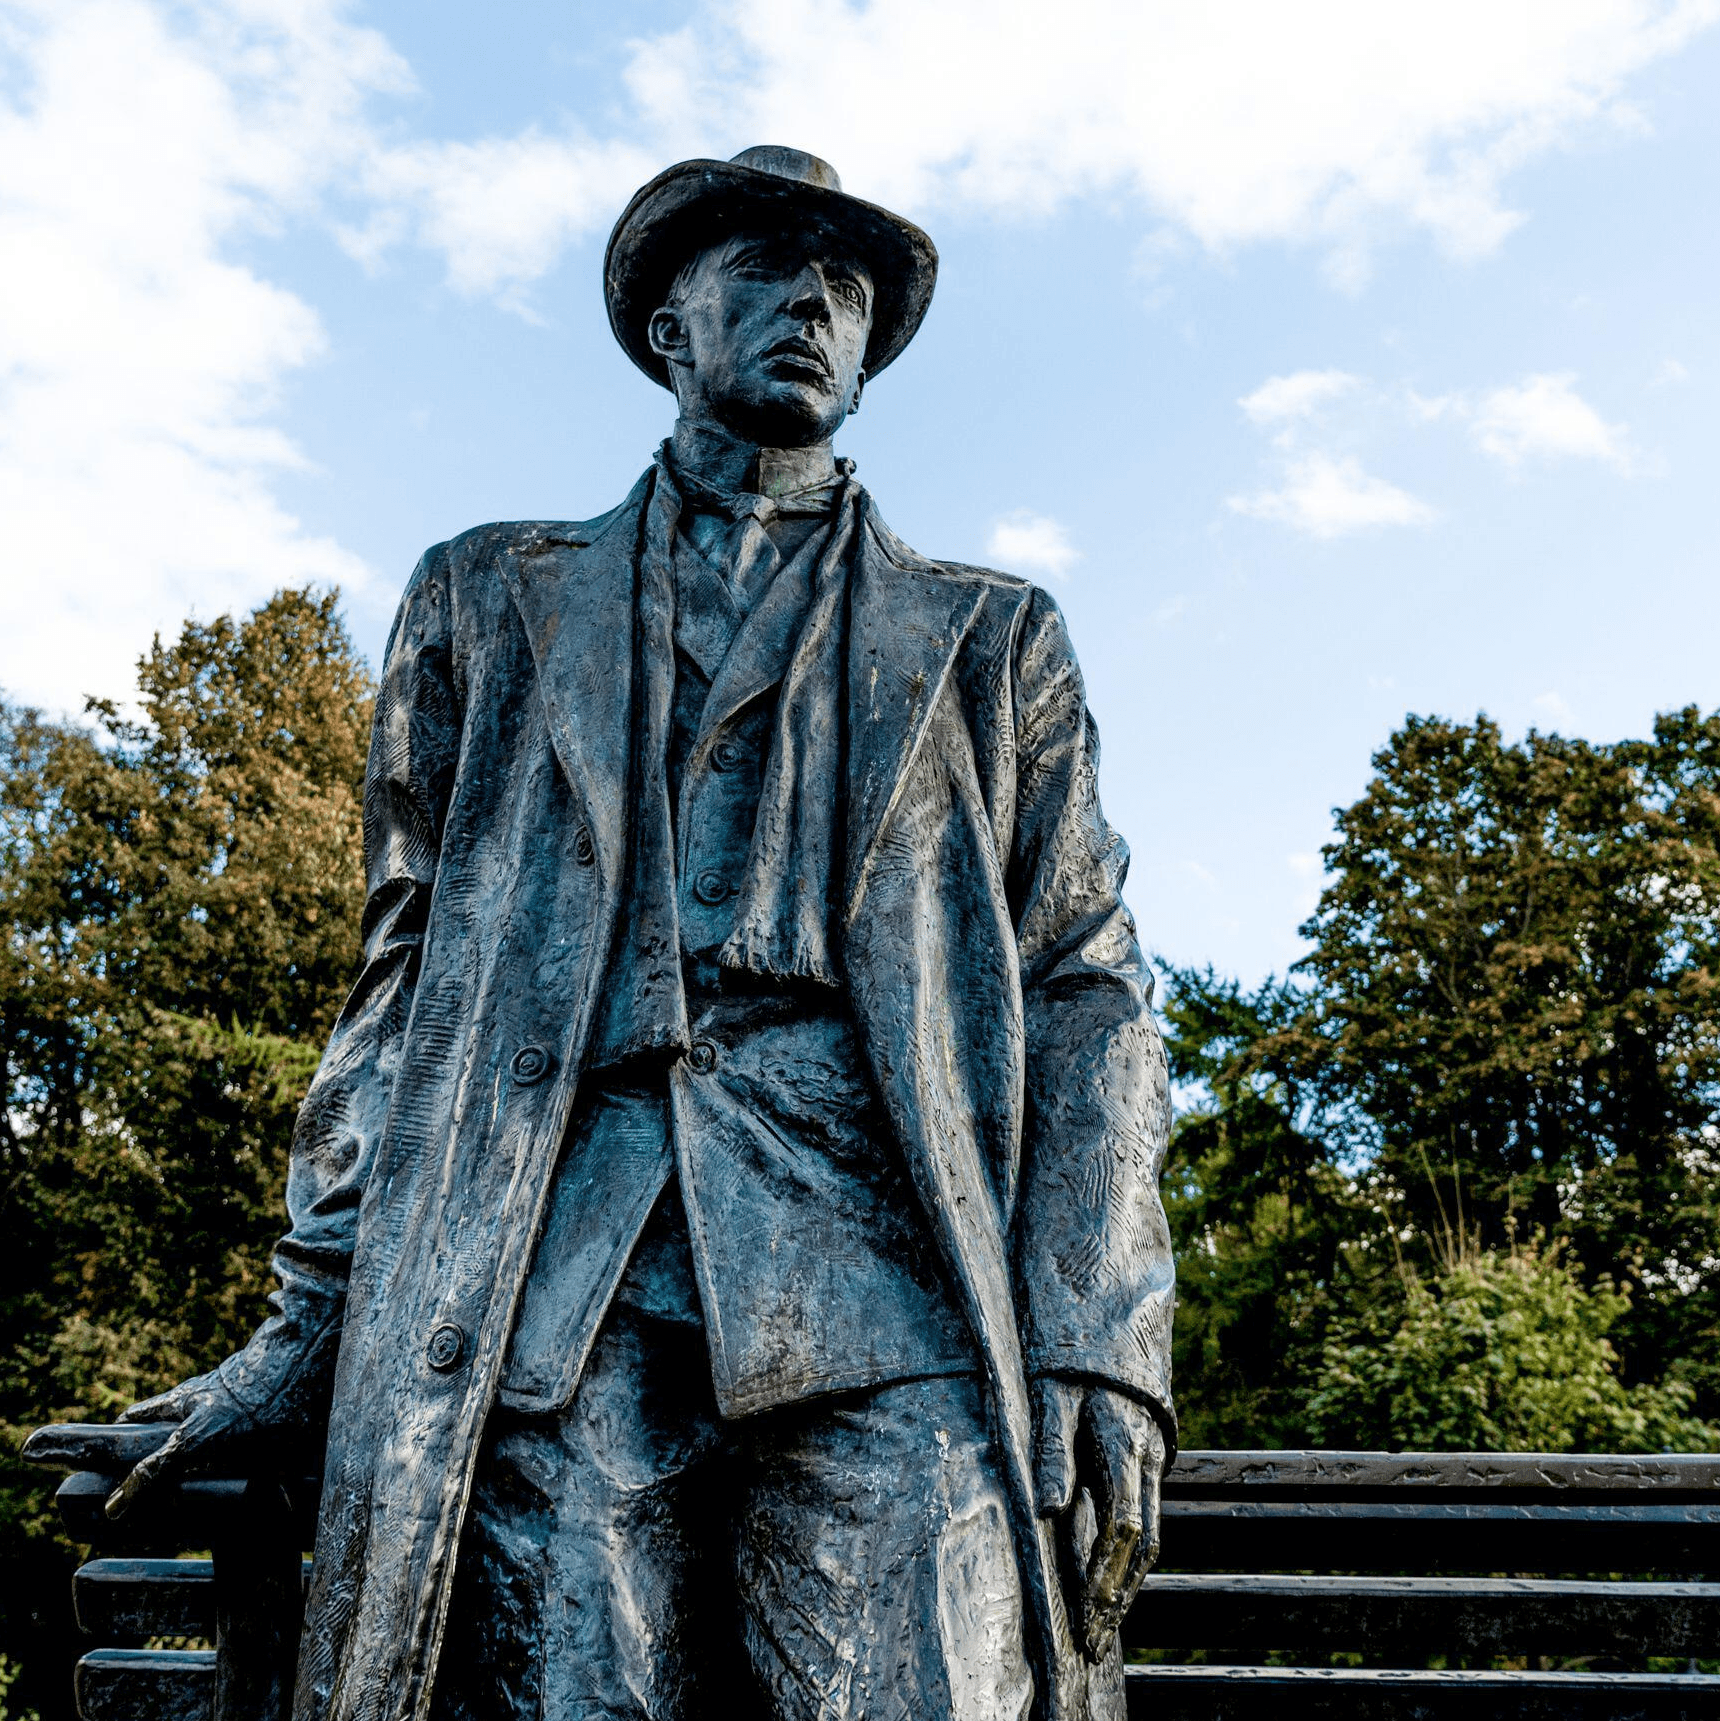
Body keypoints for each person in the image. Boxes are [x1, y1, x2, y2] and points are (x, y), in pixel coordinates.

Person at [108, 145, 1175, 1721]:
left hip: (882, 1283)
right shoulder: (487, 597)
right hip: (557, 1287)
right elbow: (402, 988)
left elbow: (1088, 991)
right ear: (669, 326)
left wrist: (1098, 1340)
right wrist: (312, 1311)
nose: (812, 303)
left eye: (845, 285)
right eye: (765, 268)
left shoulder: (991, 637)